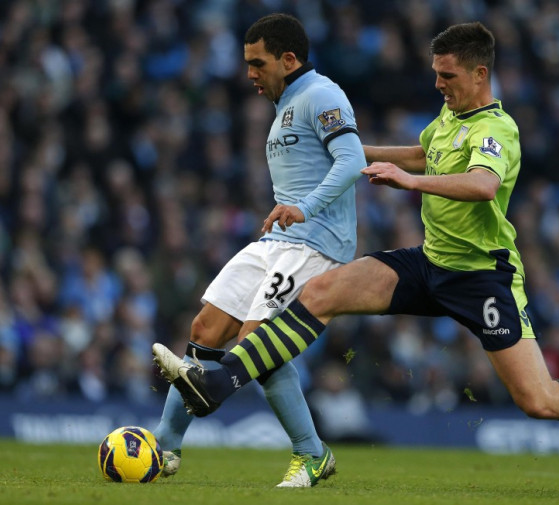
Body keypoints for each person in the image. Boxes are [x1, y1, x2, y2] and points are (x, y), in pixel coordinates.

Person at [153, 22, 559, 470]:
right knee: (322, 290)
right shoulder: (448, 119)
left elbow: (483, 185)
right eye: (435, 74)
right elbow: (423, 153)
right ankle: (220, 382)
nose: (438, 85)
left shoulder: (497, 130)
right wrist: (349, 144)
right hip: (429, 263)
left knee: (539, 400)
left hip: (482, 278)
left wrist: (409, 183)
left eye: (447, 76)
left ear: (479, 73)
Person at [151, 13, 366, 487]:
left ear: (289, 60)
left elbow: (353, 160)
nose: (249, 73)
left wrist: (305, 207)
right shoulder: (285, 102)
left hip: (315, 244)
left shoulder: (321, 95)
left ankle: (312, 452)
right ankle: (164, 446)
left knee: (256, 343)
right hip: (277, 241)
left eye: (258, 63)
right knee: (206, 327)